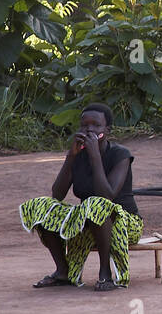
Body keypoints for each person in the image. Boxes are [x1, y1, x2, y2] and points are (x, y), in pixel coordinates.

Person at [21, 102, 142, 292]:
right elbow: (57, 195)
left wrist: (95, 156)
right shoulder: (78, 155)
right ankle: (62, 272)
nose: (89, 129)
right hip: (87, 222)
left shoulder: (121, 155)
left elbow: (107, 196)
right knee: (40, 205)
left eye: (96, 125)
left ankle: (105, 273)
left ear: (107, 130)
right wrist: (71, 156)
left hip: (124, 223)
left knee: (97, 204)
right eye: (85, 125)